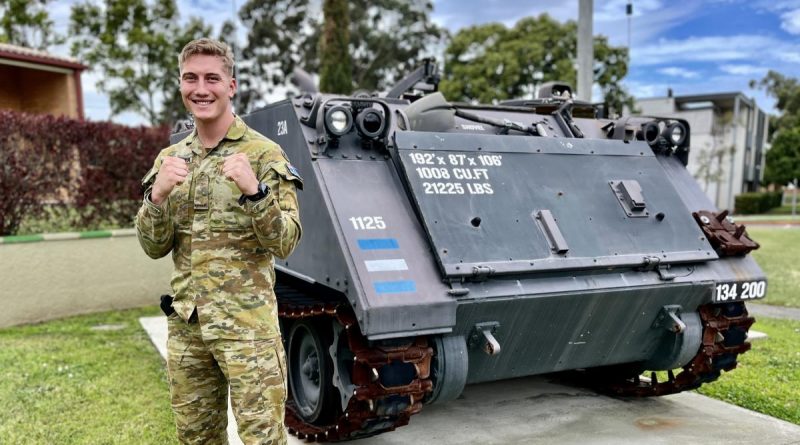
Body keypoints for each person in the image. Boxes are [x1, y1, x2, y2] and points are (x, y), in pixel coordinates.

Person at [135, 37, 302, 444]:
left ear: (231, 85)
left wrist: (254, 192)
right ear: (181, 85)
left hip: (247, 330)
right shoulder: (170, 160)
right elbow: (153, 247)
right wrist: (156, 196)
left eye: (212, 78)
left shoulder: (264, 154)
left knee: (263, 438)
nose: (201, 88)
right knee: (196, 438)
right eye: (190, 78)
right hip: (189, 329)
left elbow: (286, 242)